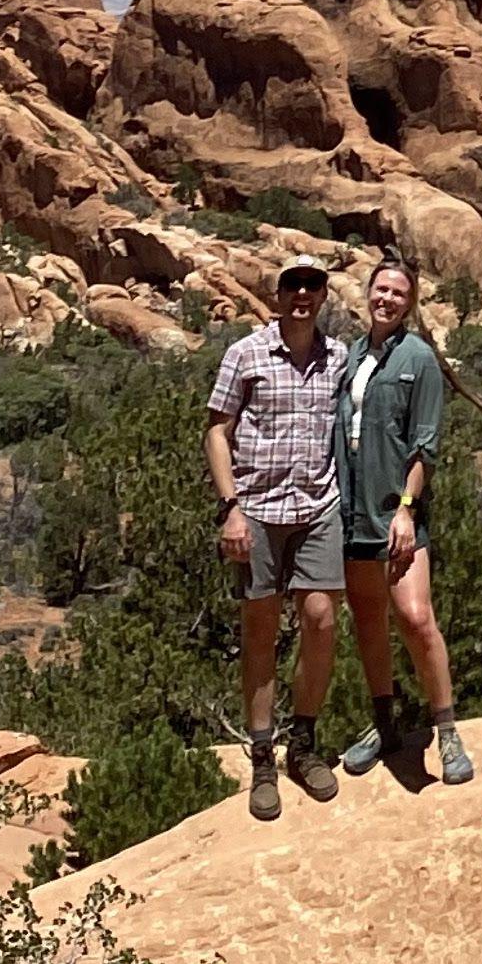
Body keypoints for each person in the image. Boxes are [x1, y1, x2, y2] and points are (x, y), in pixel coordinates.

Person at [205, 255, 351, 818]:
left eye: (314, 285)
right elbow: (217, 430)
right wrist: (230, 508)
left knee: (320, 619)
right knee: (260, 629)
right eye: (294, 284)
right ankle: (263, 756)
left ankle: (304, 743)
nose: (303, 294)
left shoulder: (337, 356)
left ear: (322, 296)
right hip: (257, 511)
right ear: (278, 292)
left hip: (317, 507)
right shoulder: (245, 354)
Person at [335, 253, 470, 784]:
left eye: (398, 292)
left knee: (415, 618)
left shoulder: (418, 359)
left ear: (410, 303)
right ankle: (384, 724)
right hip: (349, 515)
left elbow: (426, 446)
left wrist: (408, 511)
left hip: (396, 515)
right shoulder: (350, 358)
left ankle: (448, 730)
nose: (386, 298)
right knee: (369, 622)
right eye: (380, 289)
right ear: (367, 295)